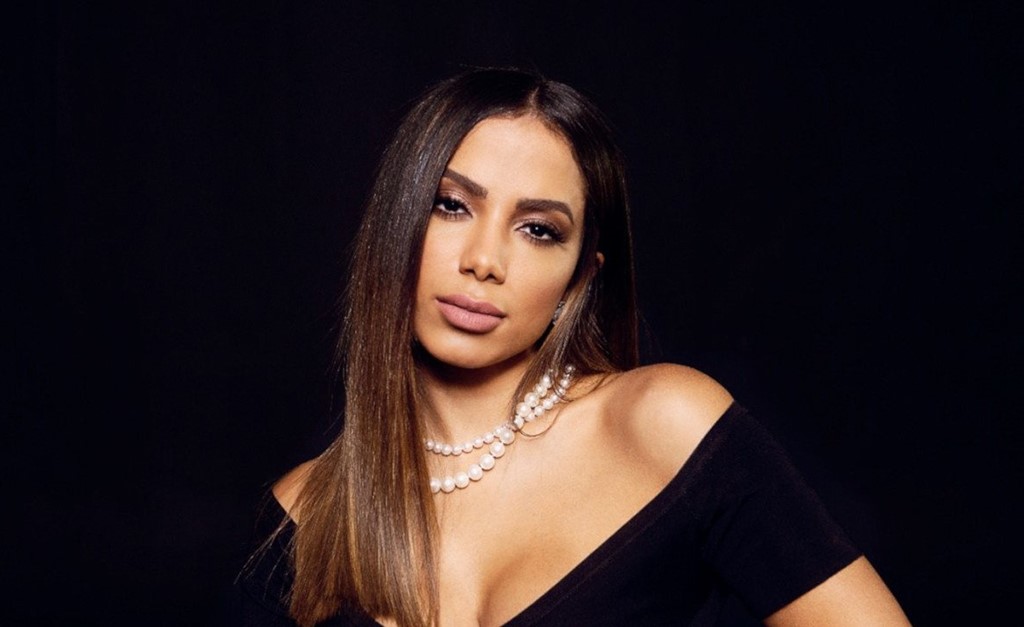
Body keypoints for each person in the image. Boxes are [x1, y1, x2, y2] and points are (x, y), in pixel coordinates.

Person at [237, 67, 910, 626]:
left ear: (579, 278)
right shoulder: (306, 514)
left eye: (538, 230)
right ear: (395, 223)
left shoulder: (661, 425)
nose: (484, 260)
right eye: (451, 205)